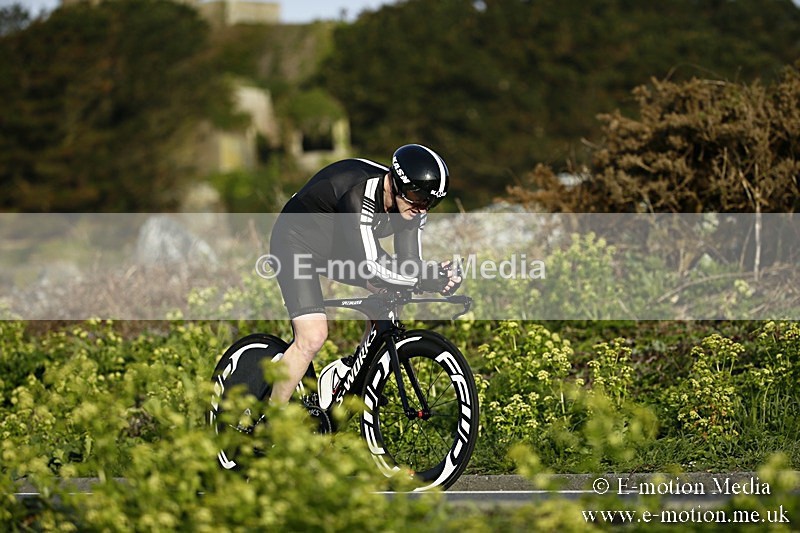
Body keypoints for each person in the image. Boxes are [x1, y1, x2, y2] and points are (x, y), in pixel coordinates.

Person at [268, 144, 461, 403]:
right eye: (418, 197)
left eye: (431, 201)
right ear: (396, 182)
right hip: (296, 243)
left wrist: (436, 277)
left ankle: (354, 371)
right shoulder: (359, 194)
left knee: (394, 293)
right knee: (312, 337)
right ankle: (270, 424)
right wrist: (422, 279)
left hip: (340, 247)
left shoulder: (413, 208)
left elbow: (409, 264)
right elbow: (372, 265)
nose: (422, 208)